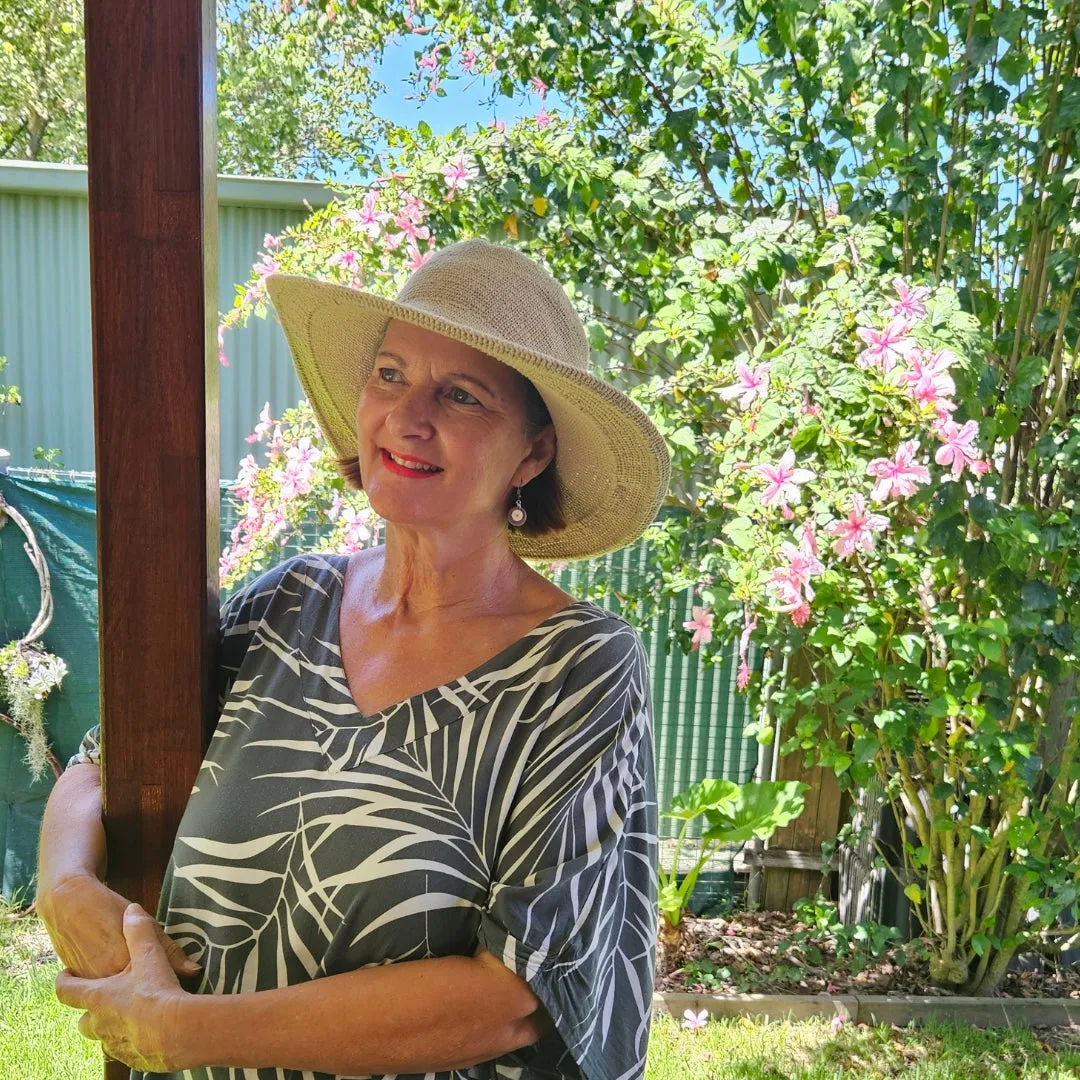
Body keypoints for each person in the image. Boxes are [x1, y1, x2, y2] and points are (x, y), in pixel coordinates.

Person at [37, 237, 671, 1080]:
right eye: (390, 375)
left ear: (533, 452)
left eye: (461, 395)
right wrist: (62, 880)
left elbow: (513, 995)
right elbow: (99, 764)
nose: (408, 418)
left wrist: (185, 1032)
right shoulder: (286, 603)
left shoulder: (579, 669)